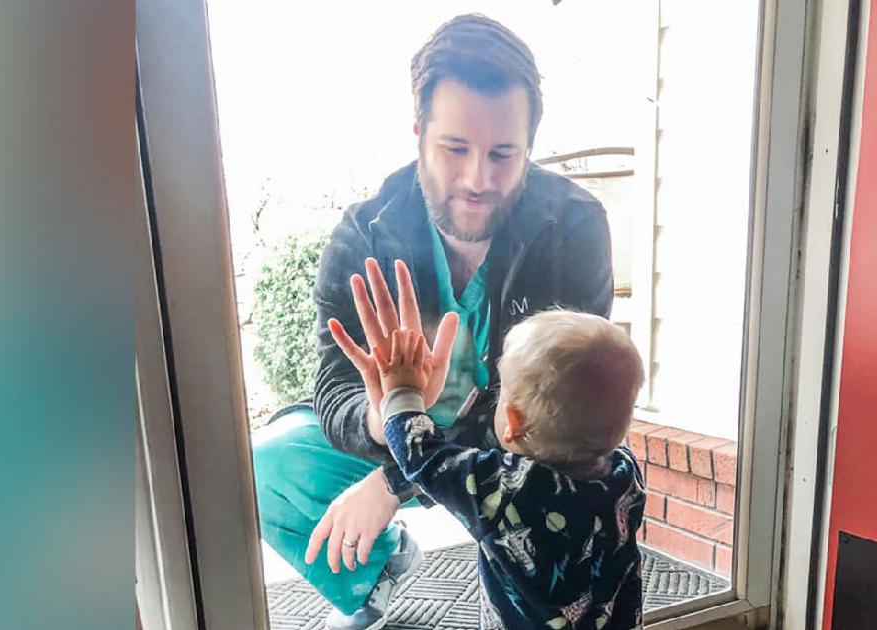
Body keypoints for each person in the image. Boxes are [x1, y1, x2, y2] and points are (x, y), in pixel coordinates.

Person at [250, 13, 615, 629]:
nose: (478, 179)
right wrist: (387, 409)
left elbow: (564, 401)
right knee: (264, 462)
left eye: (504, 154)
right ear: (418, 132)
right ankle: (379, 570)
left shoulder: (574, 228)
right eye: (454, 149)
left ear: (531, 146)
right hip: (394, 424)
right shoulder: (361, 233)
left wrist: (396, 480)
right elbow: (333, 388)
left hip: (519, 441)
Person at [319, 308, 646, 629]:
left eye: (501, 390)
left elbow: (423, 456)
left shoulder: (505, 488)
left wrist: (402, 392)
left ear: (513, 423)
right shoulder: (626, 473)